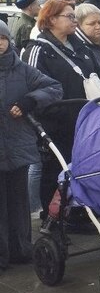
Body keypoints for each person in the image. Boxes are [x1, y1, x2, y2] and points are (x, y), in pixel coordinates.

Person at [23, 0, 99, 214]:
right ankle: (52, 218)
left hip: (85, 121)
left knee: (83, 168)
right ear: (52, 19)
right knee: (55, 172)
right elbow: (33, 87)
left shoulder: (80, 47)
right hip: (55, 125)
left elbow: (97, 75)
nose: (75, 20)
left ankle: (80, 214)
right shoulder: (38, 49)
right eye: (69, 16)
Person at [0, 20, 62, 271]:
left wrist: (29, 101)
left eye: (2, 39)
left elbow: (54, 87)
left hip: (17, 145)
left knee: (18, 201)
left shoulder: (23, 70)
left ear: (9, 40)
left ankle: (21, 249)